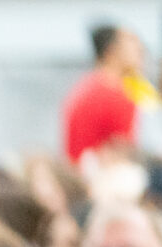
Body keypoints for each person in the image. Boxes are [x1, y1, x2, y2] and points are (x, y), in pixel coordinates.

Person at [63, 23, 147, 164]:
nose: (140, 51)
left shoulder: (85, 88)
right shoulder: (115, 94)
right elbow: (127, 149)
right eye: (132, 44)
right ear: (111, 51)